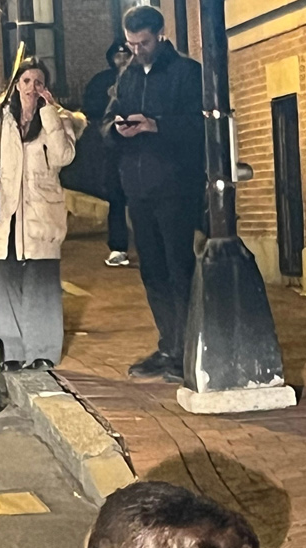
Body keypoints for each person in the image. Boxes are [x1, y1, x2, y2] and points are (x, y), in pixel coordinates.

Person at [102, 5, 205, 383]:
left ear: (160, 34)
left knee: (180, 268)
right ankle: (169, 346)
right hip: (139, 189)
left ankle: (188, 349)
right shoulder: (127, 75)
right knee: (152, 270)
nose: (136, 50)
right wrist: (117, 129)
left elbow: (199, 126)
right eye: (130, 44)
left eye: (142, 43)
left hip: (176, 187)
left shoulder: (186, 73)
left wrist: (155, 126)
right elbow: (105, 123)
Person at [0, 57, 86, 372]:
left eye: (38, 82)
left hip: (41, 212)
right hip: (7, 209)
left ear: (45, 88)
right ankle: (10, 350)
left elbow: (64, 156)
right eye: (26, 81)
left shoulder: (59, 118)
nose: (31, 88)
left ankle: (43, 351)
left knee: (41, 283)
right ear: (16, 84)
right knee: (6, 281)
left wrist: (49, 113)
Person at [82, 40, 133, 267]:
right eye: (118, 57)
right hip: (112, 149)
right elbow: (92, 112)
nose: (122, 60)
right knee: (116, 199)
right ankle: (118, 246)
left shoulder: (141, 79)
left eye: (126, 56)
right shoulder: (102, 81)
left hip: (138, 149)